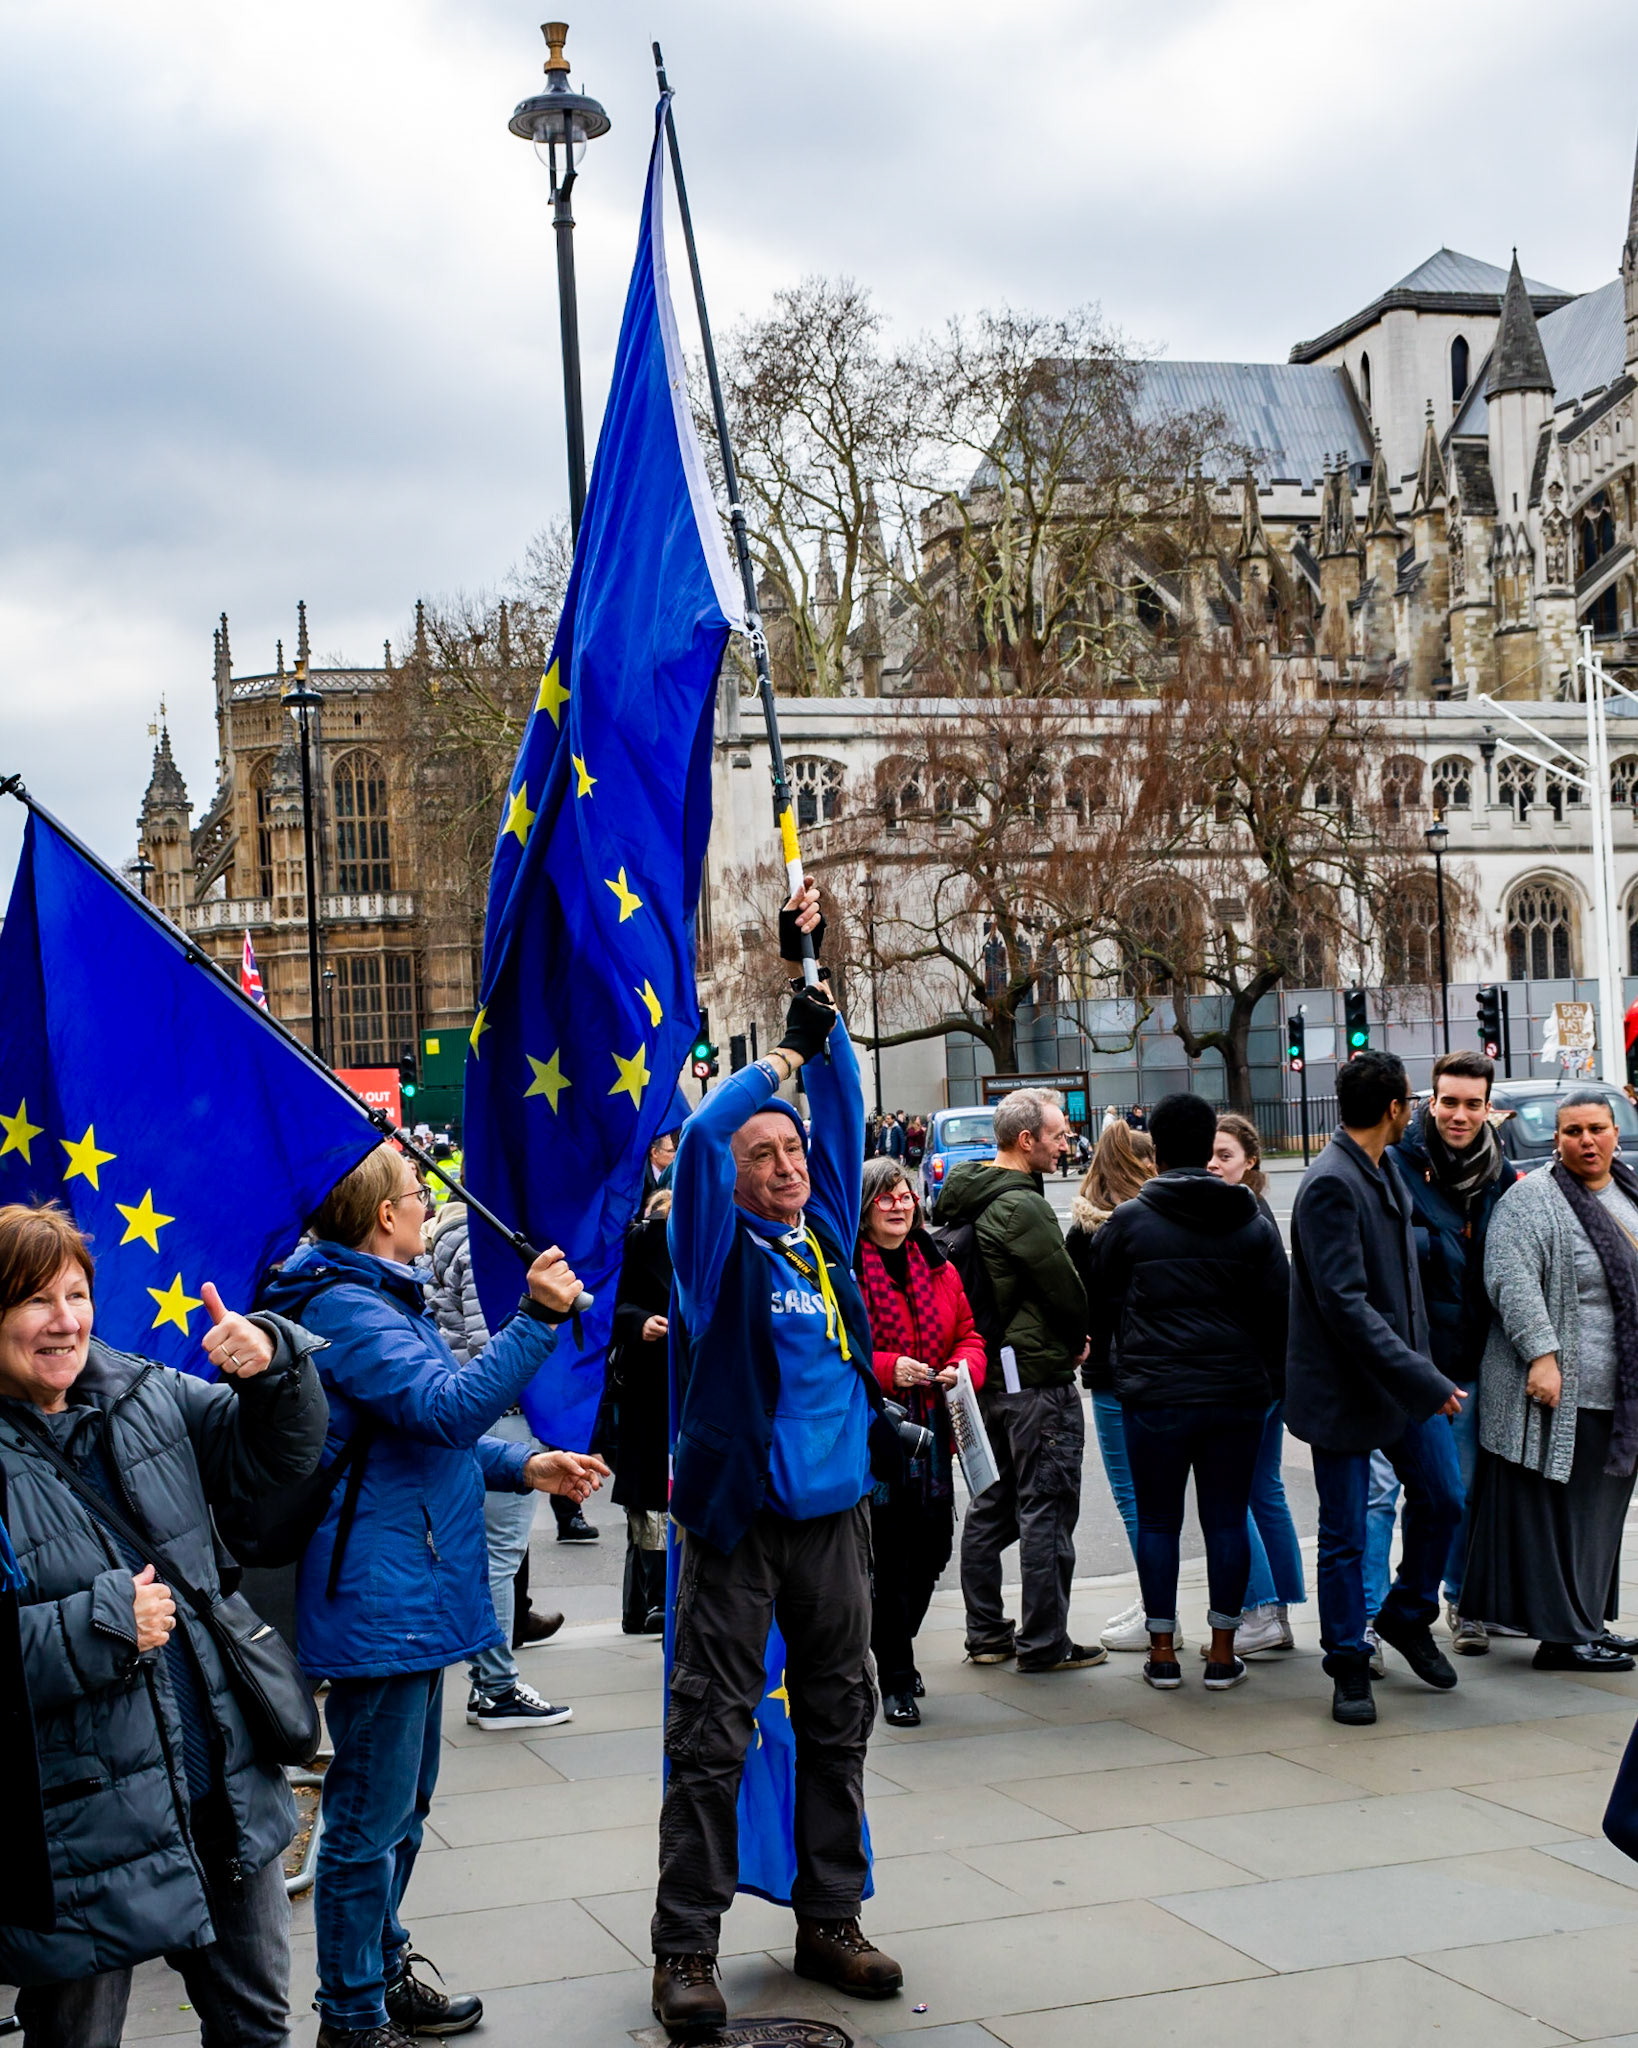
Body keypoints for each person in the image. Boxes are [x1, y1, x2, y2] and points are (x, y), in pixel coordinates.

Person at [258, 1144, 606, 2046]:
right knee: (369, 1826)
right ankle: (351, 2013)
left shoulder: (380, 1299)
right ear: (384, 1217)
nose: (426, 1204)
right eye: (417, 1194)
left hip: (412, 1586)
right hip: (381, 1597)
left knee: (400, 1814)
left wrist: (526, 1464)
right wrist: (535, 1315)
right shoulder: (346, 1308)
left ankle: (379, 1968)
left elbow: (427, 1437)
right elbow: (450, 1409)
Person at [651, 883, 902, 2036]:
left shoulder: (828, 1234)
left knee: (840, 1716)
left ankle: (830, 1915)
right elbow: (706, 1131)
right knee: (712, 1730)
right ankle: (685, 1948)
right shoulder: (713, 1248)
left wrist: (815, 967)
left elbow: (841, 1101)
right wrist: (776, 1061)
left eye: (794, 1148)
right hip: (740, 1521)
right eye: (768, 1152)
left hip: (836, 1519)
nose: (786, 1160)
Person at [0, 1201, 327, 2047]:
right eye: (35, 1301)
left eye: (76, 1294)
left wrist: (273, 1367)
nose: (64, 1322)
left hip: (220, 1789)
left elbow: (273, 1456)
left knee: (256, 2026)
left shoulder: (139, 1388)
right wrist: (103, 1624)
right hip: (79, 1834)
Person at [1085, 1095, 1289, 1692]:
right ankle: (1223, 1651)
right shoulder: (1251, 1221)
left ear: (1157, 1153)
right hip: (1235, 1394)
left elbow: (1102, 1309)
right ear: (1206, 1150)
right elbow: (1279, 1311)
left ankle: (1163, 1651)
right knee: (1227, 1521)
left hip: (1155, 1394)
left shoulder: (1128, 1224)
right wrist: (1270, 1384)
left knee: (1157, 1522)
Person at [1286, 1051, 1465, 1727]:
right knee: (1345, 1535)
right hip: (1350, 1391)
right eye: (1412, 1103)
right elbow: (1346, 1306)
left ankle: (1405, 1615)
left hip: (1403, 1382)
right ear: (1393, 1109)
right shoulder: (1331, 1182)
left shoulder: (1386, 1165)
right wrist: (1424, 1375)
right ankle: (1347, 1664)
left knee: (1445, 1499)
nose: (1417, 1113)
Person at [1462, 1091, 1638, 1672]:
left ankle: (1589, 1620)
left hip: (1622, 1389)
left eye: (1596, 1129)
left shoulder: (1629, 1189)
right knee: (1564, 1514)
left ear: (1616, 1132)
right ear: (1557, 1141)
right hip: (1564, 1390)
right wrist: (1542, 1355)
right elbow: (1510, 1278)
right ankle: (1563, 1639)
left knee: (1599, 1514)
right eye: (1572, 1132)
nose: (1586, 1141)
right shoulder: (1532, 1198)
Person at [941, 1089, 1101, 1674]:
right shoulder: (1022, 1206)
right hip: (1035, 1378)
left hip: (988, 1375)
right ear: (1026, 1139)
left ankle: (986, 1633)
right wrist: (1080, 1337)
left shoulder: (967, 1193)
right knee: (1046, 1510)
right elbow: (1066, 1290)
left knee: (993, 1506)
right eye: (1058, 1135)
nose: (1067, 1144)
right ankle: (1043, 1642)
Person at [1383, 1051, 1519, 1656]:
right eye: (1448, 1102)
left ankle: (1461, 1598)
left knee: (1468, 1489)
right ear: (1429, 1102)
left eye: (1472, 1103)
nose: (1459, 1115)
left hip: (1479, 1353)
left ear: (1488, 1107)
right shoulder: (1397, 1165)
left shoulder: (1499, 1171)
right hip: (1417, 1359)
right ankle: (1401, 1602)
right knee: (1425, 1492)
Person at [854, 1156, 986, 1727]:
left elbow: (970, 1335)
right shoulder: (846, 1270)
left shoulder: (938, 1262)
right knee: (890, 1558)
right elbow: (840, 1352)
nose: (899, 1204)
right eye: (885, 1197)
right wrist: (890, 1369)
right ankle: (898, 1678)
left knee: (932, 1551)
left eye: (904, 1194)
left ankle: (888, 1649)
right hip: (880, 1433)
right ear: (863, 1209)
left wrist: (962, 1368)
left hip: (934, 1434)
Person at [425, 1196, 567, 1730]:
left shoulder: (448, 1240)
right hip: (497, 1408)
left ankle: (490, 1683)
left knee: (488, 1554)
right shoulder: (483, 1244)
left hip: (474, 1405)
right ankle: (496, 1687)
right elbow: (490, 1336)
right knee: (499, 1558)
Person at [1208, 1113, 1307, 1657]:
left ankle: (1262, 1609)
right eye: (1210, 1155)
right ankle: (1279, 1610)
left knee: (1233, 1493)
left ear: (1251, 1162)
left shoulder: (1240, 1213)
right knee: (1264, 1490)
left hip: (1247, 1379)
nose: (1214, 1164)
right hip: (1268, 1374)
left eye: (1225, 1155)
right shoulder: (1258, 1211)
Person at [1065, 1121, 1158, 1651]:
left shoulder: (1085, 1230)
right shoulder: (1159, 1220)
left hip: (1113, 1374)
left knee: (1134, 1502)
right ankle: (1161, 1607)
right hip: (1167, 1373)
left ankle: (1155, 1611)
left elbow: (1075, 1301)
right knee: (1165, 1503)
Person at [607, 1187, 674, 1636]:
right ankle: (653, 1602)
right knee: (650, 1504)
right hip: (651, 1389)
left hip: (703, 1390)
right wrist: (639, 1322)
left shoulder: (730, 1234)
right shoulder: (644, 1240)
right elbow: (609, 1302)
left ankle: (657, 1602)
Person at [641, 1129, 679, 1211]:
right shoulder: (641, 1177)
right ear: (655, 1152)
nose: (675, 1155)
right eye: (672, 1151)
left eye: (677, 1150)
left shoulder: (672, 1173)